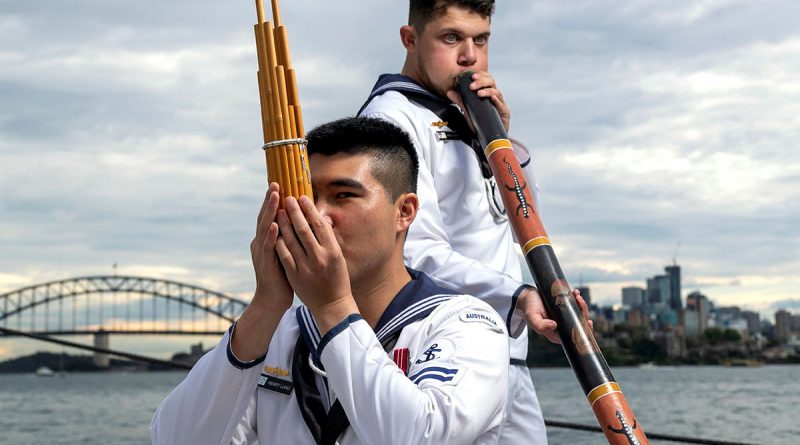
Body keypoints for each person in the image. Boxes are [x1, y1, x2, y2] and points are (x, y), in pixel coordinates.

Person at [150, 117, 511, 444]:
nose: (318, 216)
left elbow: (419, 435)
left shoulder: (466, 324)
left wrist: (333, 307)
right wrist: (265, 305)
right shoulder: (280, 331)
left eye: (343, 196)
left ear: (404, 212)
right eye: (310, 197)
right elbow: (174, 439)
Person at [358, 1, 590, 443]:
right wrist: (519, 296)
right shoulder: (392, 118)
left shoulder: (463, 115)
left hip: (505, 354)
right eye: (451, 38)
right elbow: (410, 251)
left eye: (480, 40)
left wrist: (500, 137)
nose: (469, 56)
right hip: (441, 355)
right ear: (410, 39)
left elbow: (524, 219)